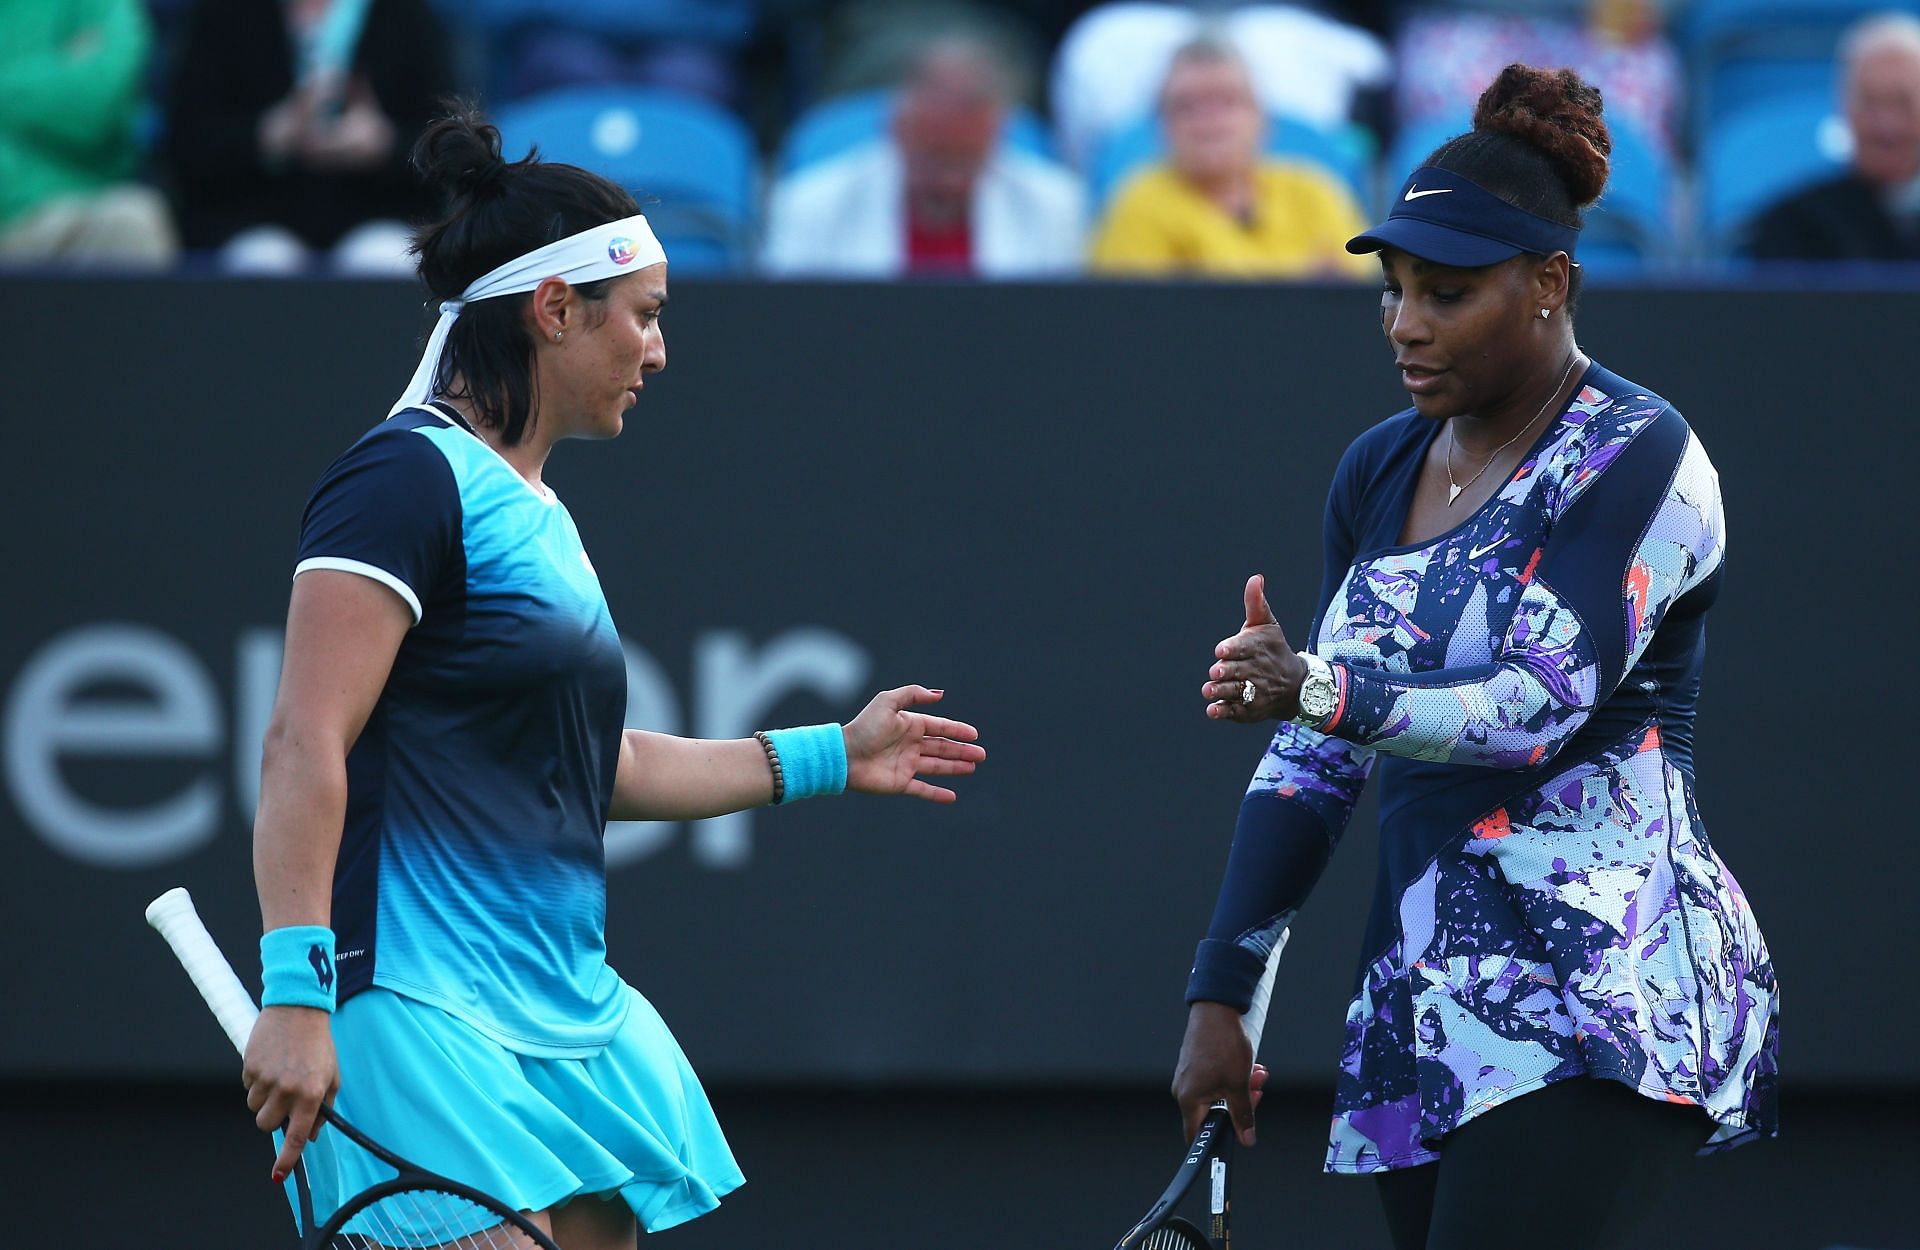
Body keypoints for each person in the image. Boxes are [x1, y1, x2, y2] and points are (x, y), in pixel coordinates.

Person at [240, 109, 986, 1244]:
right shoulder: (400, 477)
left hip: (562, 1001)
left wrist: (836, 750)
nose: (659, 349)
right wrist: (297, 989)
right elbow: (305, 738)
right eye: (643, 317)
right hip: (417, 1003)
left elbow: (602, 765)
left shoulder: (540, 515)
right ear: (553, 310)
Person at [1174, 66, 1778, 1250]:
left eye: (1446, 293)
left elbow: (1531, 709)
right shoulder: (1379, 466)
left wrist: (1317, 684)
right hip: (1427, 997)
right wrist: (1222, 999)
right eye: (1393, 290)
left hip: (1605, 980)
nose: (1406, 322)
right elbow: (1312, 768)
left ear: (1550, 282)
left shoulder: (1639, 451)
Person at [163, 0, 455, 274]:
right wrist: (266, 135)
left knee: (385, 258)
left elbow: (449, 149)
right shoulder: (226, 13)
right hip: (252, 218)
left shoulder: (407, 16)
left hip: (379, 212)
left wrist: (384, 143)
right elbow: (185, 144)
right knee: (261, 262)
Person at [761, 34, 1085, 278]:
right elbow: (787, 328)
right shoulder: (811, 206)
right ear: (897, 130)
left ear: (994, 135)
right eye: (934, 157)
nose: (947, 179)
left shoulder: (1055, 205)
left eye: (963, 160)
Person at [1089, 37, 1372, 279]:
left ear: (1261, 118)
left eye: (1226, 101)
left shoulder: (1313, 192)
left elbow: (1364, 299)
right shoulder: (1138, 203)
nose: (1208, 120)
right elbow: (1132, 318)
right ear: (1162, 127)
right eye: (1187, 106)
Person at [0, 0, 178, 268]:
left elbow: (94, 104)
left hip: (59, 218)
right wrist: (58, 71)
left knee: (134, 221)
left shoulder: (101, 6)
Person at [1746, 12, 1920, 263]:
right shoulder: (1794, 227)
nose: (1886, 125)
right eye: (1870, 103)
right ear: (1845, 108)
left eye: (1902, 102)